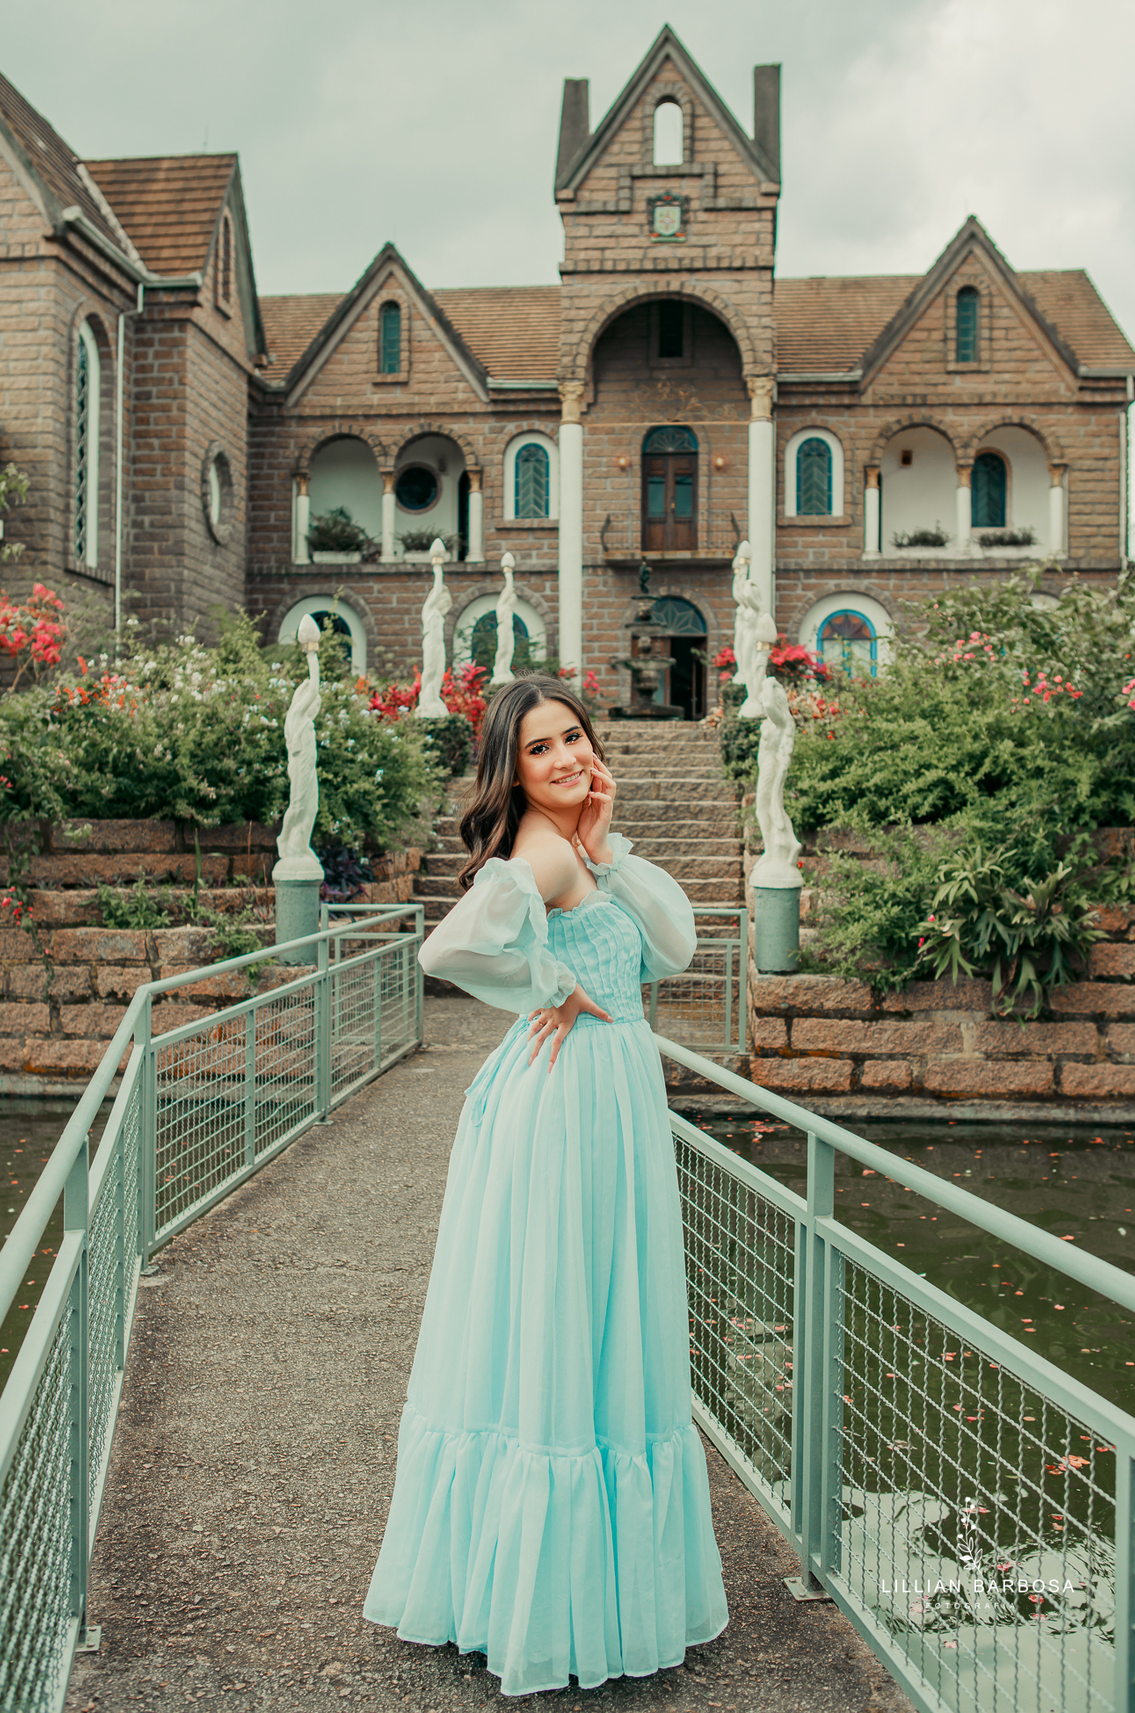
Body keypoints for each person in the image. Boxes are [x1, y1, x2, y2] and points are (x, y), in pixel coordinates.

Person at [362, 675, 728, 1696]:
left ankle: (531, 1585)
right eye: (540, 749)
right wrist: (546, 983)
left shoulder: (576, 850)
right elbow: (451, 944)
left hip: (590, 1102)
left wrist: (607, 847)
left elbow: (673, 949)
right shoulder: (537, 850)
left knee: (559, 1322)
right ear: (510, 769)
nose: (566, 758)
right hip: (572, 1110)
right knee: (573, 1321)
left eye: (574, 738)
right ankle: (556, 1603)